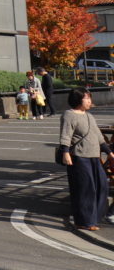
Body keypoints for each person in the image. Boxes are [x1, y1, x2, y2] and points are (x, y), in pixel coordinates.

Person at [59, 87, 109, 231]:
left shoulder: (89, 116)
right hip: (79, 157)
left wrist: (109, 152)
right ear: (78, 100)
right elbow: (65, 135)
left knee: (102, 186)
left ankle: (94, 218)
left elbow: (99, 136)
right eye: (86, 98)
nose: (89, 100)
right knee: (85, 189)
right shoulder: (69, 115)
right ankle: (84, 221)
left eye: (89, 97)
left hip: (94, 156)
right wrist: (65, 153)